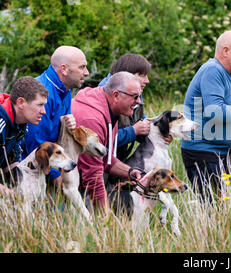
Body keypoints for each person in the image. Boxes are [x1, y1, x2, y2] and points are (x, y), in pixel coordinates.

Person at [181, 30, 231, 202]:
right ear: (225, 51)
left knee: (229, 207)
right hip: (203, 151)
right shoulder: (212, 71)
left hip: (226, 153)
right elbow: (214, 112)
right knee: (215, 207)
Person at [71, 72, 145, 210]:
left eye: (139, 96)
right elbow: (92, 175)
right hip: (65, 191)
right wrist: (105, 218)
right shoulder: (92, 120)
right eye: (135, 96)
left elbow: (105, 158)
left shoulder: (110, 109)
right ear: (116, 95)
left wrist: (129, 172)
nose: (139, 102)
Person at [23, 45, 88, 182]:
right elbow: (35, 147)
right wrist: (57, 179)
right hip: (29, 171)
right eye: (82, 67)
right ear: (64, 69)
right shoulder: (42, 94)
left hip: (53, 163)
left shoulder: (66, 90)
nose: (87, 72)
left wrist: (67, 123)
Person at [98, 53, 153, 161]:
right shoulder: (104, 96)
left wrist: (160, 132)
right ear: (126, 74)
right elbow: (101, 141)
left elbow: (141, 123)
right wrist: (133, 131)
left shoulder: (133, 90)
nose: (147, 80)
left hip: (117, 162)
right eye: (142, 75)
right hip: (100, 165)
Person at [0, 77, 48, 194]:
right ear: (21, 102)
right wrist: (9, 194)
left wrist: (26, 184)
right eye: (39, 105)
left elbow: (10, 162)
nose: (44, 111)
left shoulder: (21, 124)